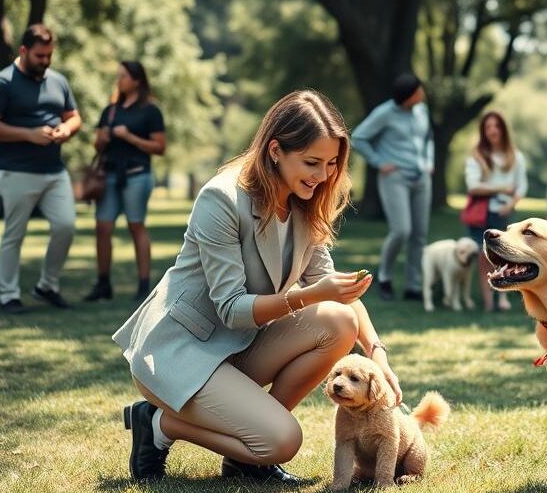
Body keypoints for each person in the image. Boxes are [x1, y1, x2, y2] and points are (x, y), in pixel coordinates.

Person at [112, 90, 402, 483]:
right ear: (276, 150)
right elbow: (232, 308)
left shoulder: (305, 199)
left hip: (238, 345)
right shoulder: (221, 197)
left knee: (339, 321)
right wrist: (312, 295)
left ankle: (247, 454)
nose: (323, 176)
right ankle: (161, 425)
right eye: (312, 162)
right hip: (181, 351)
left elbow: (339, 293)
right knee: (283, 441)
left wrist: (376, 354)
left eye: (332, 163)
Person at [0, 24, 80, 313]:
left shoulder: (58, 80)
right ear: (23, 51)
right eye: (39, 56)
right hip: (16, 171)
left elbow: (74, 117)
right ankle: (8, 295)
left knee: (66, 226)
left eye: (49, 55)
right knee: (15, 233)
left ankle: (47, 286)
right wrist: (29, 134)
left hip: (54, 171)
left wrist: (65, 130)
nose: (45, 61)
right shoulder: (1, 83)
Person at [84, 61, 166, 303]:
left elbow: (160, 147)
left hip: (137, 175)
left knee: (135, 226)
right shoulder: (110, 110)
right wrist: (103, 138)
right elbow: (97, 144)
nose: (119, 80)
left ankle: (143, 285)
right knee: (102, 228)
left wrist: (129, 137)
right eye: (118, 76)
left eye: (123, 76)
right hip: (108, 176)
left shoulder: (150, 111)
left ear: (137, 80)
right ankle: (103, 283)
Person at [351, 73, 434, 301]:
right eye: (419, 90)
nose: (422, 93)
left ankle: (413, 286)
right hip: (395, 178)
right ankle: (385, 276)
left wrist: (429, 162)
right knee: (401, 231)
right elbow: (358, 138)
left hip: (421, 179)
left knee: (419, 234)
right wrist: (379, 162)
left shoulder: (422, 111)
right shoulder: (384, 113)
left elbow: (428, 139)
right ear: (408, 96)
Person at [465, 111, 528, 312]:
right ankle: (487, 299)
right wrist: (501, 189)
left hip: (504, 213)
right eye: (488, 127)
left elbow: (521, 186)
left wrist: (510, 205)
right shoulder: (477, 157)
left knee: (506, 255)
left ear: (503, 129)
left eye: (496, 126)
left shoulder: (515, 156)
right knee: (483, 255)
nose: (492, 130)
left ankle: (503, 297)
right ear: (483, 131)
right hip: (483, 213)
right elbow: (473, 186)